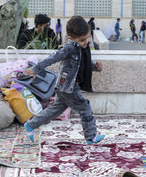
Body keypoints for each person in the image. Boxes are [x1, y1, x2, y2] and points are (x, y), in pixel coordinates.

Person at [22, 16, 105, 145]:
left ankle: (30, 125)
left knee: (55, 109)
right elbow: (52, 58)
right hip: (68, 86)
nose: (85, 42)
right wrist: (36, 68)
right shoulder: (68, 48)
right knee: (85, 107)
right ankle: (90, 137)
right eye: (82, 40)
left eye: (87, 38)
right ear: (71, 38)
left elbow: (84, 63)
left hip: (64, 85)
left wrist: (96, 67)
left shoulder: (81, 47)